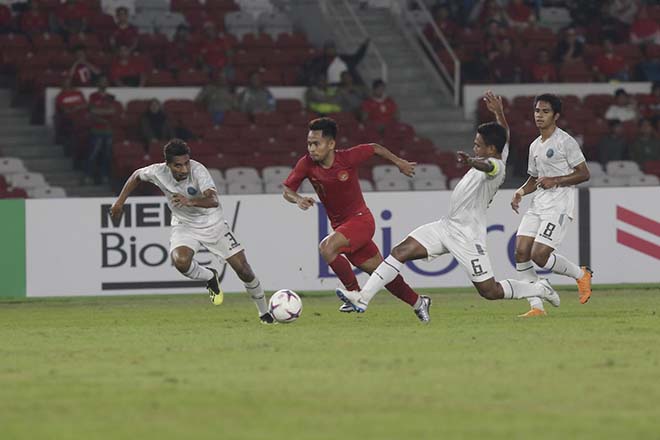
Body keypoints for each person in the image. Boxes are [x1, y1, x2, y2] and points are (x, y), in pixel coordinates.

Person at [336, 92, 560, 315]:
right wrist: (499, 113)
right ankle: (363, 299)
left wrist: (472, 161)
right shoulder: (500, 149)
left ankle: (539, 288)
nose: (475, 148)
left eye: (478, 145)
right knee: (400, 251)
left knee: (489, 291)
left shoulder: (496, 167)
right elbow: (504, 135)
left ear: (491, 150)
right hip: (446, 226)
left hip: (468, 236)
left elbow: (488, 166)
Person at [282, 117, 432, 322]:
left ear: (331, 144)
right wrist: (298, 199)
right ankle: (419, 302)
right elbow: (287, 191)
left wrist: (399, 162)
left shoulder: (347, 158)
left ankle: (353, 292)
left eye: (316, 143)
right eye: (309, 143)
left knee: (327, 248)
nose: (311, 148)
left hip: (361, 221)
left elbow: (375, 147)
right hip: (343, 226)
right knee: (382, 273)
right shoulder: (306, 164)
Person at [109, 139, 274, 324]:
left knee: (244, 270)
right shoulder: (157, 171)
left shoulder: (198, 171)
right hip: (184, 224)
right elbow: (136, 176)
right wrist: (119, 203)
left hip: (213, 223)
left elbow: (213, 200)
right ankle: (210, 276)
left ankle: (264, 313)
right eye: (178, 166)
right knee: (180, 261)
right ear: (168, 165)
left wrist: (190, 201)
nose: (184, 169)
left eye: (186, 163)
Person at [511, 93, 592, 318]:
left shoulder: (565, 141)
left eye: (545, 111)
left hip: (559, 206)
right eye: (537, 111)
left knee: (539, 255)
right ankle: (537, 307)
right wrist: (520, 191)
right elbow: (533, 179)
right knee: (520, 252)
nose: (539, 115)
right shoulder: (534, 145)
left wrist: (555, 180)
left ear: (555, 116)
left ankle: (581, 274)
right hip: (538, 205)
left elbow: (584, 174)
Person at [86, 76, 117, 184]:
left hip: (108, 130)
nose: (104, 83)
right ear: (98, 83)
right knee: (93, 154)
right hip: (96, 130)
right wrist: (104, 113)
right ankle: (89, 176)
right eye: (102, 81)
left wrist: (99, 112)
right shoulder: (93, 96)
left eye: (105, 81)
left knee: (106, 155)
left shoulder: (111, 97)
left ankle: (104, 176)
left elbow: (112, 111)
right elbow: (92, 111)